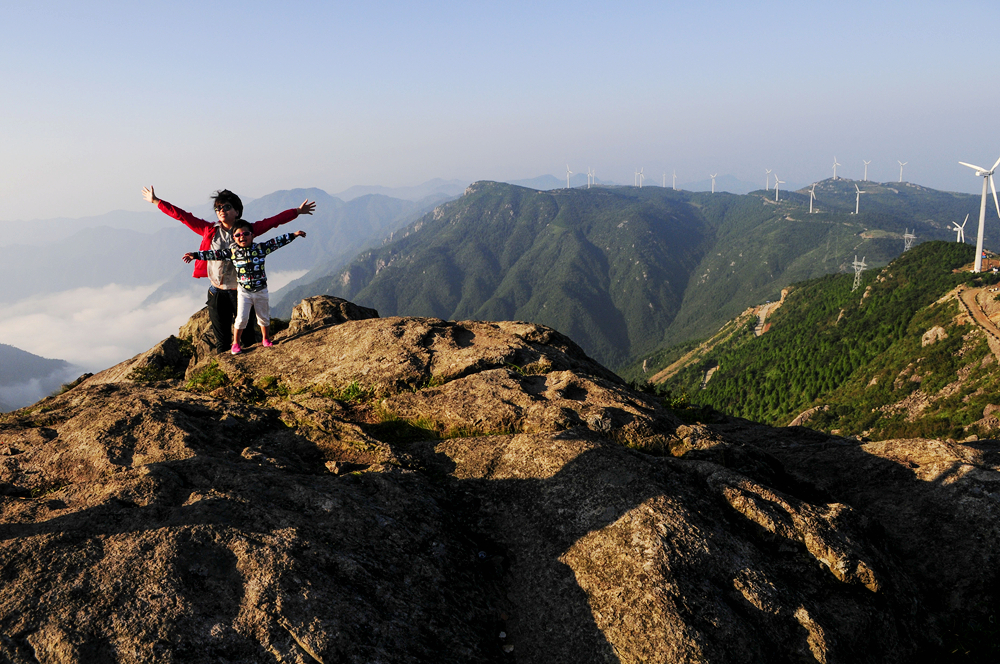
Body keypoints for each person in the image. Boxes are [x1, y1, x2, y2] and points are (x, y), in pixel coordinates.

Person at [141, 186, 315, 352]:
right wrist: (156, 201)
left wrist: (297, 212)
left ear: (237, 211)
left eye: (226, 207)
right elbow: (183, 216)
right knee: (222, 341)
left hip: (242, 292)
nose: (221, 210)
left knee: (247, 338)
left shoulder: (248, 231)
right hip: (216, 291)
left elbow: (273, 222)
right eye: (218, 208)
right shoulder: (209, 230)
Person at [183, 221, 306, 354]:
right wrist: (195, 255)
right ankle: (235, 343)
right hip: (244, 292)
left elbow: (275, 242)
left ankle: (266, 339)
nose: (242, 236)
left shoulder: (260, 248)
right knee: (241, 318)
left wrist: (293, 235)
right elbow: (215, 254)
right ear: (234, 238)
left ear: (252, 235)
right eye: (238, 235)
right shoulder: (233, 251)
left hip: (261, 290)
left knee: (263, 317)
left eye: (246, 233)